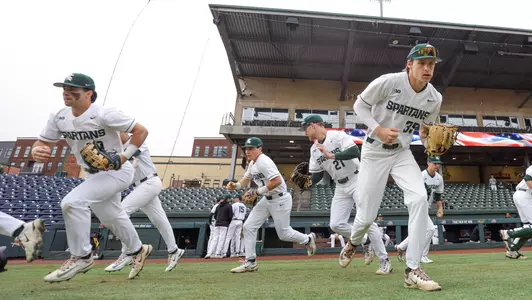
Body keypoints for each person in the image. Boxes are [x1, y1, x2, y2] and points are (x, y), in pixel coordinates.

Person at [32, 73, 152, 282]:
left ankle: (82, 256)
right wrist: (37, 151)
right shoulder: (59, 116)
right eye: (65, 89)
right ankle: (138, 249)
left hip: (117, 171)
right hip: (93, 174)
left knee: (71, 202)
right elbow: (42, 143)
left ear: (89, 93)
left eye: (73, 89)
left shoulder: (105, 114)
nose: (66, 92)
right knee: (110, 216)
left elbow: (141, 131)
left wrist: (123, 156)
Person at [344, 44, 444, 291]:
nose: (427, 68)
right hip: (374, 152)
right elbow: (359, 105)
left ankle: (412, 270)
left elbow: (425, 129)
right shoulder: (389, 82)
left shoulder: (434, 98)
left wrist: (432, 141)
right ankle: (354, 242)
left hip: (402, 153)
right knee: (366, 216)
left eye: (431, 64)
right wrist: (378, 129)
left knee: (420, 198)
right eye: (422, 63)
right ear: (409, 64)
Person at [301, 115, 391, 274]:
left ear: (314, 125)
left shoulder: (337, 135)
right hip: (340, 186)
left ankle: (384, 260)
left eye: (305, 127)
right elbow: (318, 175)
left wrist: (331, 155)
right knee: (335, 224)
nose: (304, 131)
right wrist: (306, 182)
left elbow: (355, 151)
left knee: (368, 222)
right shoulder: (313, 149)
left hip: (358, 179)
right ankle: (365, 241)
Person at [226, 137, 317, 273]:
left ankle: (308, 239)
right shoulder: (252, 163)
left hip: (280, 199)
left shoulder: (264, 161)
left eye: (251, 148)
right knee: (249, 226)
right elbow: (246, 179)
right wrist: (236, 185)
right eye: (246, 148)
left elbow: (277, 181)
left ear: (260, 148)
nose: (248, 151)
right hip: (266, 199)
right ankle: (250, 262)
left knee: (284, 234)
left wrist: (256, 192)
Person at [104, 133, 185, 272]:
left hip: (149, 182)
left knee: (121, 212)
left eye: (117, 130)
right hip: (139, 186)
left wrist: (111, 161)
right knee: (159, 219)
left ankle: (129, 252)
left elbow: (126, 158)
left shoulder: (137, 140)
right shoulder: (116, 147)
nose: (115, 134)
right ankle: (174, 250)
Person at [396, 156, 445, 264]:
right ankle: (422, 255)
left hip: (425, 206)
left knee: (418, 230)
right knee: (430, 229)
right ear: (428, 163)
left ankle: (401, 247)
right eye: (434, 163)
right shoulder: (421, 176)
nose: (437, 165)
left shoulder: (439, 178)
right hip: (416, 205)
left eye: (438, 164)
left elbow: (438, 195)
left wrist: (440, 208)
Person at [499, 164, 532, 260]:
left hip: (525, 196)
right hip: (524, 195)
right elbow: (528, 177)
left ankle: (512, 251)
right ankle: (509, 233)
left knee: (527, 228)